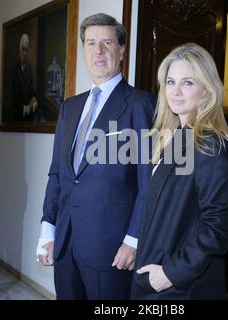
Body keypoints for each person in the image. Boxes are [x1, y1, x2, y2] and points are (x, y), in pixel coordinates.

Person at [36, 13, 155, 299]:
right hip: (65, 243)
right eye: (90, 43)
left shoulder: (141, 105)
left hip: (111, 249)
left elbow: (148, 182)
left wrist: (134, 239)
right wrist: (48, 231)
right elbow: (58, 174)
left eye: (107, 42)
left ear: (122, 50)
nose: (98, 51)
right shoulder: (70, 108)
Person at [131, 43, 228, 299]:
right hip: (154, 273)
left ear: (207, 89)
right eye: (170, 82)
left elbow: (218, 224)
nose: (175, 91)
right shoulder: (174, 137)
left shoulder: (211, 143)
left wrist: (171, 272)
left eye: (188, 83)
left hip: (180, 286)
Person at [12, 33, 38, 121]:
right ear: (19, 49)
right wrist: (24, 108)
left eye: (26, 50)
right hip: (19, 115)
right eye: (22, 49)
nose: (24, 53)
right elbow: (14, 99)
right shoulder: (15, 69)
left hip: (29, 112)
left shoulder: (29, 67)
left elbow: (32, 90)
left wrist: (34, 99)